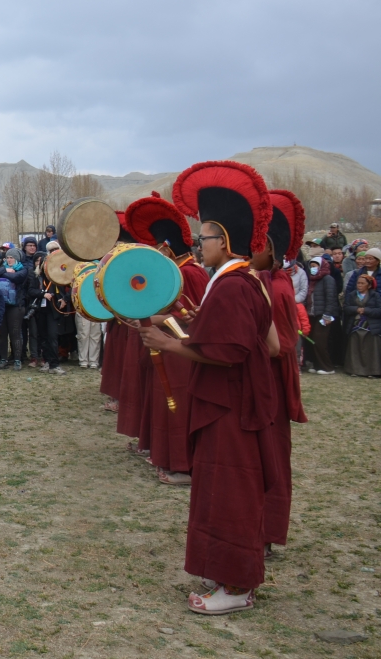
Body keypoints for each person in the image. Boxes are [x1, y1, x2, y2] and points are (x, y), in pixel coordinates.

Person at [140, 159, 279, 615]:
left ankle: (236, 587)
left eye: (204, 238)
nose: (198, 246)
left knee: (230, 490)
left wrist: (168, 342)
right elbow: (246, 337)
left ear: (226, 241)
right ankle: (227, 575)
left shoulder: (236, 285)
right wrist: (197, 322)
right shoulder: (240, 281)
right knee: (221, 488)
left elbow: (231, 352)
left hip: (232, 407)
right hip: (231, 402)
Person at [125, 192, 211, 485]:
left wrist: (151, 320)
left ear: (167, 248)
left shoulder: (191, 273)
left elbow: (194, 317)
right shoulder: (177, 270)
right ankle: (160, 453)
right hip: (166, 346)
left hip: (182, 350)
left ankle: (181, 465)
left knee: (177, 407)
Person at [254, 189, 308, 557]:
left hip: (269, 384)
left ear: (270, 250)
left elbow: (280, 344)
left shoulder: (277, 288)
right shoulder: (261, 283)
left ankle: (268, 532)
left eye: (254, 244)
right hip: (261, 381)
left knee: (270, 457)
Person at [306, 253, 340, 374]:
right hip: (313, 314)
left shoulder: (328, 279)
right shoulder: (311, 280)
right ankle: (317, 364)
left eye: (315, 265)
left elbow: (331, 298)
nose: (313, 268)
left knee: (320, 341)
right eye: (312, 266)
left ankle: (327, 367)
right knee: (312, 341)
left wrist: (327, 314)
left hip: (324, 314)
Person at [344, 274, 381, 377]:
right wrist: (356, 309)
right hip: (355, 325)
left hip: (370, 326)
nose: (359, 285)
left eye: (362, 283)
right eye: (358, 283)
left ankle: (372, 371)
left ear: (369, 286)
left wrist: (366, 310)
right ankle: (354, 370)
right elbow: (346, 308)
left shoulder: (375, 295)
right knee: (355, 349)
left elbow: (379, 310)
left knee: (371, 349)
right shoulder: (352, 295)